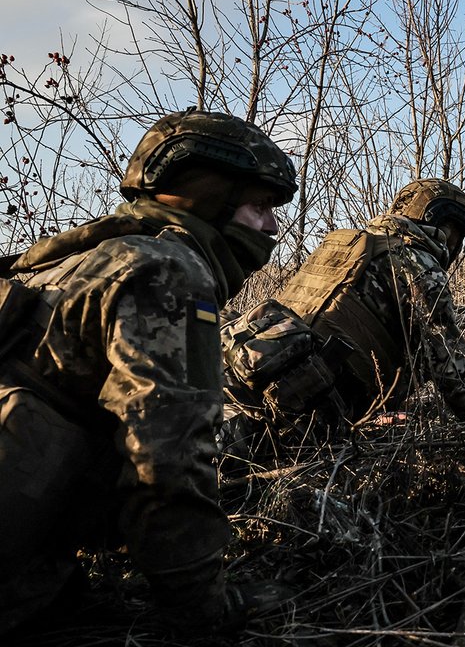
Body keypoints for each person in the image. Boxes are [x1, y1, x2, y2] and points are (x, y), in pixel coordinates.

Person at [0, 108, 297, 635]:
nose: (272, 227)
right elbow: (166, 459)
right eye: (259, 206)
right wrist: (202, 607)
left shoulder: (64, 259)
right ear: (206, 195)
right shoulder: (168, 271)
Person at [221, 178, 465, 443]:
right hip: (310, 405)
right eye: (457, 234)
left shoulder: (344, 244)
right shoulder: (419, 265)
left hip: (249, 372)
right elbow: (448, 364)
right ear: (443, 226)